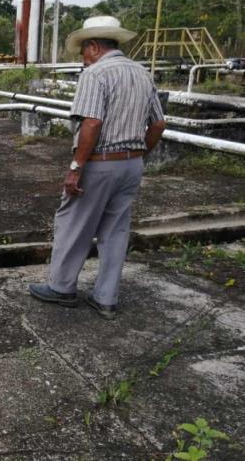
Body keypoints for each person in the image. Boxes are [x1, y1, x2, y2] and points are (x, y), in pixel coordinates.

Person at [29, 16, 166, 319]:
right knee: (116, 231)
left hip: (99, 164)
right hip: (131, 164)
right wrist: (139, 154)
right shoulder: (142, 73)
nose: (82, 57)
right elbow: (158, 123)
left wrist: (76, 166)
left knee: (73, 223)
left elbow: (92, 122)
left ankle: (61, 287)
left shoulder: (96, 74)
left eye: (83, 51)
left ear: (93, 46)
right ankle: (106, 297)